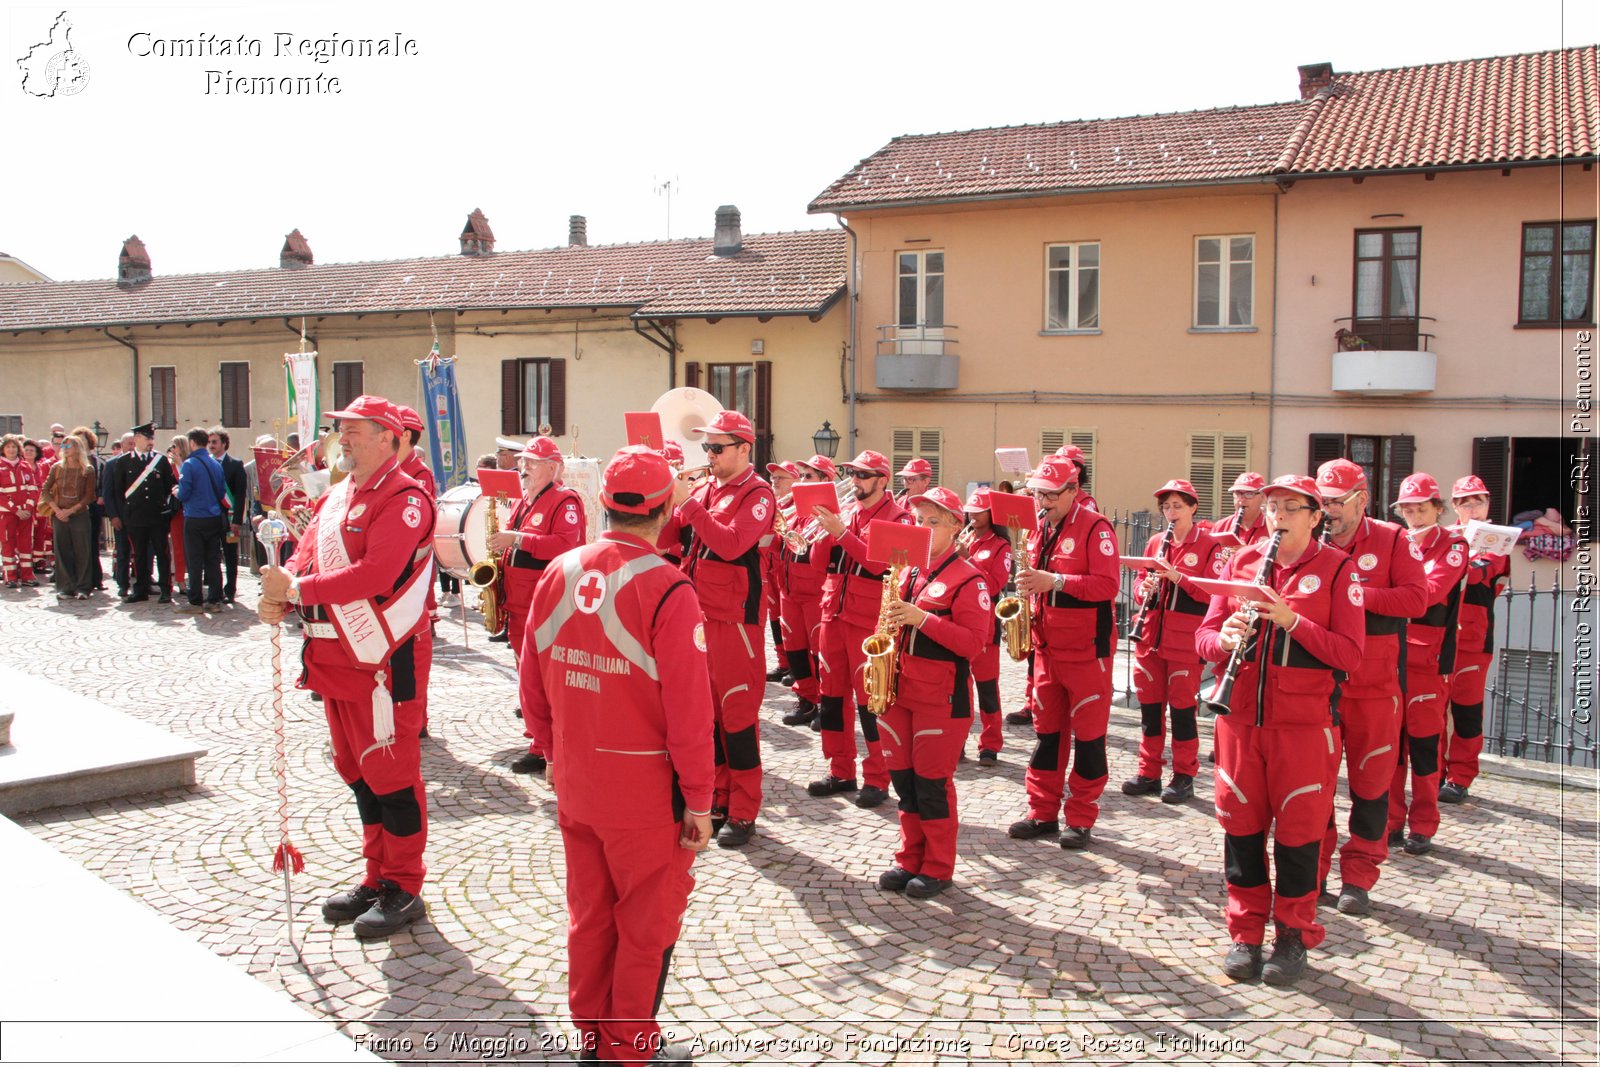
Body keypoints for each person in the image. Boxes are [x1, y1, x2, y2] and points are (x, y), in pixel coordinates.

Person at [519, 446, 714, 1067]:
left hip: (578, 780)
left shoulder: (560, 571)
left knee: (589, 917)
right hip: (646, 792)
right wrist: (702, 802)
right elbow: (690, 714)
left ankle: (591, 1042)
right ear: (665, 508)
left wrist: (550, 750)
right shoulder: (667, 586)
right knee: (645, 928)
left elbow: (531, 680)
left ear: (604, 503)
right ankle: (628, 1052)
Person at [258, 395, 436, 940]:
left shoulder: (406, 498)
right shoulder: (340, 496)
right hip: (336, 659)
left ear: (387, 435)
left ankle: (405, 886)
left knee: (392, 775)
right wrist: (284, 587)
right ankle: (376, 876)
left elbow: (377, 572)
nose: (344, 439)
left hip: (384, 662)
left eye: (354, 430)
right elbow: (304, 556)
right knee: (356, 773)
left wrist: (298, 588)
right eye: (342, 430)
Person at [1195, 474, 1364, 986]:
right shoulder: (1242, 564)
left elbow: (1351, 655)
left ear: (1317, 517)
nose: (1279, 517)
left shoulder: (1338, 570)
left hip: (1304, 727)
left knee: (1298, 836)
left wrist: (1293, 621)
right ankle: (1244, 934)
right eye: (1272, 507)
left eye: (1292, 508)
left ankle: (1293, 935)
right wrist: (1222, 639)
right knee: (1240, 830)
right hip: (1241, 722)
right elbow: (1203, 638)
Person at [1313, 458, 1428, 915]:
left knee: (1371, 788)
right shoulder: (1308, 538)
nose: (1329, 512)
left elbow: (1417, 598)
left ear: (1362, 499)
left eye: (1337, 503)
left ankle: (1359, 877)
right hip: (1320, 683)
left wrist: (1351, 592)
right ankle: (1314, 872)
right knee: (1314, 787)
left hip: (1376, 686)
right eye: (1322, 503)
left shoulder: (1393, 539)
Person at [876, 486, 992, 899]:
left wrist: (922, 619)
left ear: (956, 527)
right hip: (901, 690)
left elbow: (975, 643)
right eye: (919, 521)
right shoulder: (907, 572)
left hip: (941, 699)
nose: (923, 529)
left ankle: (938, 867)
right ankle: (910, 858)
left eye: (933, 522)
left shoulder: (970, 578)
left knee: (931, 784)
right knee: (904, 782)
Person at [671, 410, 776, 848]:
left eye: (717, 447)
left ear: (743, 448)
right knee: (706, 717)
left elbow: (732, 543)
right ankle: (714, 796)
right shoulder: (705, 486)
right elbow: (675, 537)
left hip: (735, 620)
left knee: (737, 718)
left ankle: (744, 809)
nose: (709, 455)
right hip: (698, 613)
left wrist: (689, 503)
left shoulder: (758, 493)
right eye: (706, 448)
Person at [1006, 457, 1118, 850]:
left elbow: (1107, 586)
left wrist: (1056, 580)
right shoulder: (1037, 529)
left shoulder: (1096, 527)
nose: (1043, 501)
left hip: (1086, 651)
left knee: (1089, 741)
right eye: (1039, 493)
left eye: (1052, 494)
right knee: (1047, 737)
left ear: (1073, 491)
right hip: (1047, 648)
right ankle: (1041, 812)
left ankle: (1082, 818)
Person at [806, 449, 909, 812]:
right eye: (853, 474)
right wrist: (822, 536)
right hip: (833, 611)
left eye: (864, 475)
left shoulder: (900, 517)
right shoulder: (847, 512)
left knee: (870, 702)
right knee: (831, 697)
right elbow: (822, 565)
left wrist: (843, 533)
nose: (856, 481)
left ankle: (878, 778)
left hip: (868, 620)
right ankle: (840, 770)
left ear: (882, 479)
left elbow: (883, 565)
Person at [1122, 479, 1225, 804]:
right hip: (1150, 635)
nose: (1171, 512)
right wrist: (1145, 588)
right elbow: (1139, 581)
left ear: (1193, 508)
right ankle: (1149, 771)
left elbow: (1214, 593)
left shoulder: (1210, 546)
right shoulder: (1155, 542)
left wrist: (1180, 577)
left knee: (1182, 711)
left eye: (1177, 506)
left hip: (1184, 640)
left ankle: (1184, 775)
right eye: (1166, 507)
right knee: (1150, 711)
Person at [1388, 473, 1469, 855]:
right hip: (1390, 654)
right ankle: (1388, 821)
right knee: (1388, 747)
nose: (1414, 517)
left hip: (1427, 659)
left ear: (1438, 509)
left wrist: (1397, 587)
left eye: (1421, 509)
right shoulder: (1393, 540)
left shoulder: (1453, 543)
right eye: (1408, 509)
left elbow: (1430, 594)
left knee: (1422, 747)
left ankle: (1422, 824)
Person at [496, 436, 585, 774]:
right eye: (523, 462)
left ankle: (544, 746)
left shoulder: (565, 501)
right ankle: (538, 738)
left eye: (532, 463)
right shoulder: (526, 500)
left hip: (546, 603)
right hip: (520, 602)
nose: (524, 468)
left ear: (553, 468)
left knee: (542, 677)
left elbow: (564, 545)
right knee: (527, 676)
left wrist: (516, 539)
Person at [1441, 475, 1510, 805]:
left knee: (1467, 712)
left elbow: (1480, 571)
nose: (1473, 507)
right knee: (1434, 710)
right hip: (1439, 636)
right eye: (1465, 502)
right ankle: (1434, 770)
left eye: (1478, 501)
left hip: (1474, 639)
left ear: (1488, 504)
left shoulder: (1499, 540)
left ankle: (1460, 776)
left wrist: (1458, 560)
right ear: (1455, 507)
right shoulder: (1445, 537)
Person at [777, 455, 835, 728]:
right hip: (788, 591)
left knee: (817, 653)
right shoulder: (797, 510)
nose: (801, 481)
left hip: (814, 593)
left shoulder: (833, 514)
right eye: (801, 475)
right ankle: (806, 700)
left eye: (808, 476)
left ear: (825, 480)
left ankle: (825, 703)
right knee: (795, 650)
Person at [959, 489, 1012, 762]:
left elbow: (993, 584)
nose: (973, 516)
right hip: (959, 621)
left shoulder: (1000, 546)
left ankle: (990, 743)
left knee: (987, 687)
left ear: (992, 514)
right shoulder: (963, 538)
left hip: (985, 622)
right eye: (971, 510)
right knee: (960, 686)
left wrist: (966, 559)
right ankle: (958, 739)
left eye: (979, 511)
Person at [110, 423, 177, 604]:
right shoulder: (124, 462)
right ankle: (140, 589)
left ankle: (165, 589)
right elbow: (118, 490)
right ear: (137, 438)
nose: (151, 442)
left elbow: (168, 487)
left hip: (156, 516)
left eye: (152, 438)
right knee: (139, 554)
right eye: (147, 438)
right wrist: (122, 513)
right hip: (135, 516)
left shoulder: (160, 460)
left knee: (162, 553)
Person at [176, 427, 230, 613]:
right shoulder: (215, 463)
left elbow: (184, 494)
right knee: (213, 560)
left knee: (195, 560)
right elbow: (222, 492)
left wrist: (176, 492)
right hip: (214, 516)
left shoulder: (189, 464)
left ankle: (195, 601)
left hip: (195, 517)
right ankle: (214, 600)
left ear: (192, 443)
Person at [41, 434, 98, 599]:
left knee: (82, 551)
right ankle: (65, 587)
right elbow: (45, 490)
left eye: (68, 446)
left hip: (79, 514)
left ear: (77, 448)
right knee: (62, 550)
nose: (64, 450)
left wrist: (70, 511)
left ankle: (83, 587)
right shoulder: (57, 467)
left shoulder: (87, 469)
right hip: (59, 514)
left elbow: (90, 496)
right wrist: (56, 510)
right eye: (63, 447)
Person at [763, 461, 799, 683]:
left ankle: (795, 666)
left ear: (794, 482)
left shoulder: (797, 505)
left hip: (786, 567)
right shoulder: (771, 502)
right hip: (769, 566)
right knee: (775, 617)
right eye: (773, 477)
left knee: (790, 621)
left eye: (780, 478)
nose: (774, 481)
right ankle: (783, 662)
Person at [206, 428, 248, 603]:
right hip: (211, 517)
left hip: (230, 519)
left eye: (215, 442)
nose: (211, 446)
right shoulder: (206, 463)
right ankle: (214, 589)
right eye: (209, 442)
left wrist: (237, 520)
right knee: (212, 554)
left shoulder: (235, 464)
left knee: (230, 555)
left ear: (224, 443)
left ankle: (230, 590)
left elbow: (240, 494)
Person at [0, 434, 41, 588]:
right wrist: (16, 509)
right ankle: (10, 576)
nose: (11, 450)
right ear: (3, 449)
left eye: (14, 447)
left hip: (26, 513)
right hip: (7, 513)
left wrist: (28, 508)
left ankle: (27, 575)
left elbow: (33, 489)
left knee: (26, 544)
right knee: (8, 543)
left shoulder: (25, 466)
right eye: (8, 447)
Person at [102, 432, 136, 597]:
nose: (132, 446)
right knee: (123, 552)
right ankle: (123, 584)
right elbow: (108, 494)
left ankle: (145, 580)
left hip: (139, 515)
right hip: (121, 516)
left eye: (134, 443)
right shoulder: (112, 464)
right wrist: (113, 516)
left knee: (144, 552)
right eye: (129, 443)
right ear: (121, 445)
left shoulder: (143, 461)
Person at [1211, 472, 1268, 563]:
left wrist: (1247, 553)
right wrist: (1219, 558)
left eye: (1248, 494)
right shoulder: (1220, 526)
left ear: (1262, 496)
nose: (1242, 499)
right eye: (1238, 494)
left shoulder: (1271, 527)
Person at [23, 440, 51, 575]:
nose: (28, 453)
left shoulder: (41, 467)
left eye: (32, 450)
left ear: (37, 453)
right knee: (25, 536)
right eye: (26, 450)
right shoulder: (20, 467)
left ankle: (38, 562)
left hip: (40, 505)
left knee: (40, 534)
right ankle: (24, 563)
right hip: (26, 505)